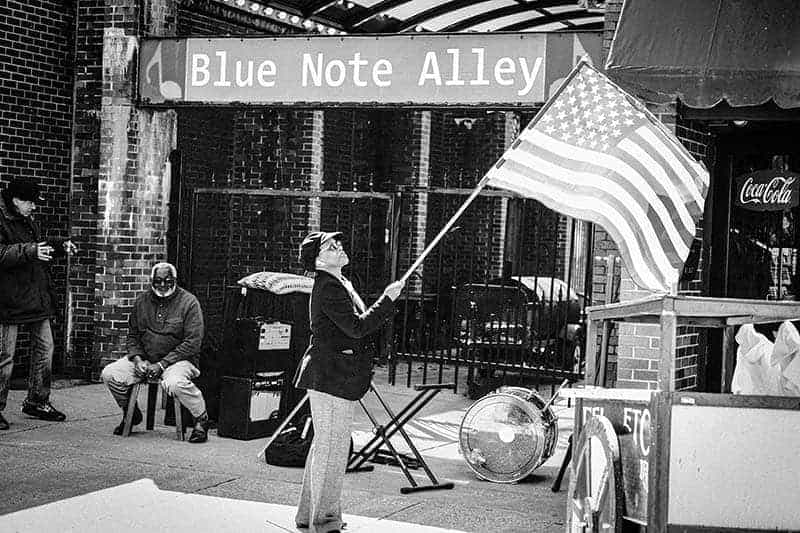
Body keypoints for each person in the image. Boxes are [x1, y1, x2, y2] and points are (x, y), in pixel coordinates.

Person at [293, 231, 404, 533]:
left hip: (333, 374)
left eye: (338, 243)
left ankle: (309, 514)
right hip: (331, 376)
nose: (339, 247)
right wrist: (387, 300)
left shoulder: (338, 282)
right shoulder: (329, 286)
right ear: (318, 260)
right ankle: (325, 521)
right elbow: (356, 327)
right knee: (333, 448)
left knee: (325, 445)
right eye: (331, 246)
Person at [100, 262, 210, 443]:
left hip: (178, 361)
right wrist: (137, 359)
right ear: (151, 281)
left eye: (168, 281)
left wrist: (162, 364)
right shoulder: (141, 301)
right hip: (146, 360)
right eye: (158, 281)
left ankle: (201, 419)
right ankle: (130, 413)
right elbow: (133, 336)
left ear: (175, 280)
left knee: (174, 383)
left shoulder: (189, 302)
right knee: (110, 374)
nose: (163, 285)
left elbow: (193, 342)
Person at [0, 178, 77, 431]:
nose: (34, 207)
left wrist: (58, 246)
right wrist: (31, 251)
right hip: (6, 300)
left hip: (33, 296)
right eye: (30, 202)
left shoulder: (26, 219)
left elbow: (37, 246)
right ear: (15, 200)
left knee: (45, 349)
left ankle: (37, 400)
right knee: (4, 357)